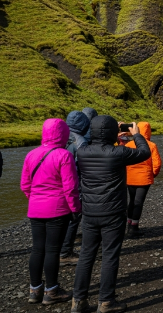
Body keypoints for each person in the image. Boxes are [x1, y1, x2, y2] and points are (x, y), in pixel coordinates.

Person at [72, 117, 151, 313]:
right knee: (109, 255)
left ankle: (78, 300)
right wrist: (137, 135)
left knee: (86, 255)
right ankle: (106, 301)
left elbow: (97, 143)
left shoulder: (83, 151)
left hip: (90, 212)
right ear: (110, 133)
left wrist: (112, 137)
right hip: (113, 213)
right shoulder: (119, 152)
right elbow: (144, 152)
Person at [21, 118, 81, 306]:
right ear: (64, 134)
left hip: (35, 209)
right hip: (57, 209)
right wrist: (76, 209)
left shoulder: (31, 154)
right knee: (52, 250)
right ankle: (52, 291)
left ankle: (35, 289)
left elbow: (25, 184)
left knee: (37, 248)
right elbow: (70, 187)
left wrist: (36, 200)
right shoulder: (64, 155)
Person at [60, 110, 90, 265]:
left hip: (59, 183)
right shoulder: (81, 141)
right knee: (74, 217)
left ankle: (60, 250)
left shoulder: (61, 136)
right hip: (75, 183)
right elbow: (83, 166)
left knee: (62, 218)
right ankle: (65, 253)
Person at [124, 122, 162, 238]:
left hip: (130, 178)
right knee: (138, 202)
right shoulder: (151, 145)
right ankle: (134, 227)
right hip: (144, 178)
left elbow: (124, 161)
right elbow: (157, 164)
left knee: (132, 201)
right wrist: (152, 174)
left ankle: (129, 223)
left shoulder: (128, 144)